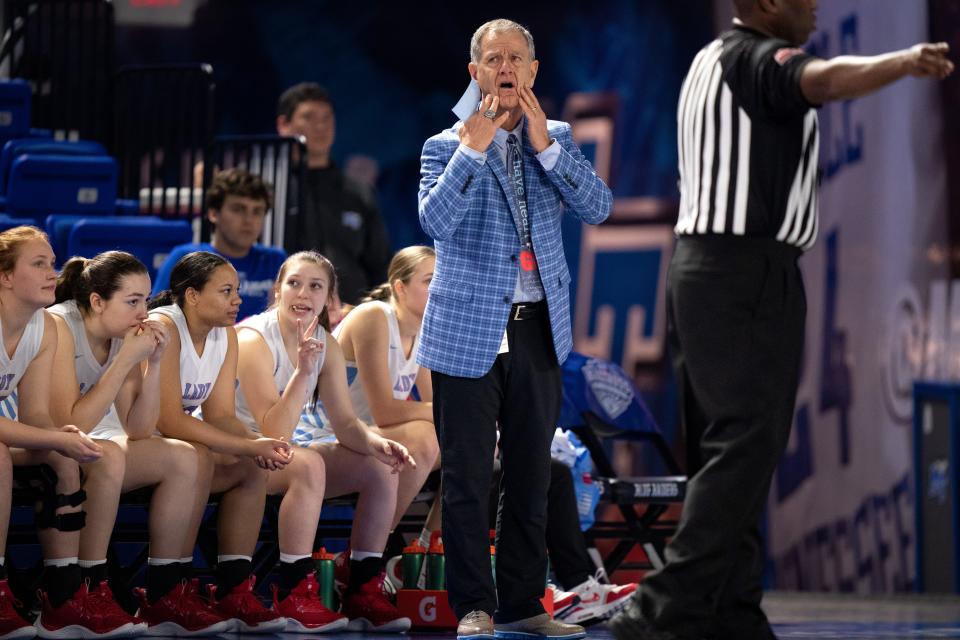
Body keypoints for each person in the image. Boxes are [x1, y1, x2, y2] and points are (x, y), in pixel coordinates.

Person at [608, 2, 955, 640]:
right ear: (766, 4)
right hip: (746, 274)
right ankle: (665, 607)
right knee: (746, 444)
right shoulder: (756, 58)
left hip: (700, 268)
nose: (816, 5)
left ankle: (731, 610)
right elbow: (817, 80)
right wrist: (902, 61)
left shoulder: (708, 58)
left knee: (727, 449)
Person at [418, 18, 612, 640]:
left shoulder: (551, 137)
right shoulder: (444, 145)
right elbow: (435, 223)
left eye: (517, 58)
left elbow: (599, 208)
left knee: (532, 476)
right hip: (468, 328)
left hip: (538, 328)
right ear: (475, 73)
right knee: (469, 480)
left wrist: (547, 148)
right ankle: (473, 606)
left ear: (532, 73)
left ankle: (525, 603)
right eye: (494, 58)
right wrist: (474, 148)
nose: (506, 67)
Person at [49, 251, 231, 637]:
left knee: (187, 457)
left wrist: (154, 363)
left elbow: (140, 429)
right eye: (132, 302)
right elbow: (72, 423)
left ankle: (165, 590)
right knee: (109, 455)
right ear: (97, 301)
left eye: (146, 300)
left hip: (88, 444)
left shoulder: (122, 336)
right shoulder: (60, 325)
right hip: (41, 441)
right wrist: (124, 361)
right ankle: (87, 588)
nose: (143, 312)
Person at [235, 249, 416, 633]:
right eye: (294, 284)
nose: (303, 293)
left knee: (381, 466)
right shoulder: (253, 339)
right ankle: (293, 592)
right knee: (309, 463)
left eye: (315, 286)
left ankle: (363, 586)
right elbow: (273, 433)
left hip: (286, 448)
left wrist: (374, 443)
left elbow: (346, 423)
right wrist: (303, 372)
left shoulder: (326, 343)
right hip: (241, 450)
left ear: (329, 299)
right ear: (277, 291)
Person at [148, 251, 293, 634]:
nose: (237, 300)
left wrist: (260, 442)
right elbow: (169, 419)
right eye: (226, 291)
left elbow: (221, 415)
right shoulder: (165, 325)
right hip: (130, 438)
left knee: (249, 468)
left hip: (174, 451)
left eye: (237, 291)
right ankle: (166, 592)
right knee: (196, 455)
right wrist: (247, 445)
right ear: (191, 295)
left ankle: (234, 589)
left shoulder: (225, 334)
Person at [0, 226, 131, 639]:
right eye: (38, 264)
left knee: (69, 456)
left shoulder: (44, 327)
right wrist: (56, 437)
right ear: (5, 276)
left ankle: (63, 594)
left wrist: (63, 436)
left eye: (52, 263)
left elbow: (37, 414)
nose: (51, 272)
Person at [332, 245, 440, 534]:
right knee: (427, 438)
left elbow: (435, 405)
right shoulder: (375, 316)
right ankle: (368, 554)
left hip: (369, 435)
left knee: (477, 445)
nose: (440, 287)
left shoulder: (423, 331)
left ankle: (430, 550)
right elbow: (385, 412)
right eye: (430, 280)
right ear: (400, 288)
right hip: (329, 432)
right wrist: (449, 413)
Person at [275, 82, 391, 305]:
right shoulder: (269, 189)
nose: (320, 126)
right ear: (284, 125)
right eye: (308, 117)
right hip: (286, 317)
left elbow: (379, 264)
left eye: (326, 118)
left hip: (352, 317)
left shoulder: (358, 192)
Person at [152, 168, 286, 321]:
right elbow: (157, 318)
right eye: (238, 209)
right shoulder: (186, 258)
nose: (249, 220)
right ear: (213, 214)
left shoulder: (276, 260)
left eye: (257, 211)